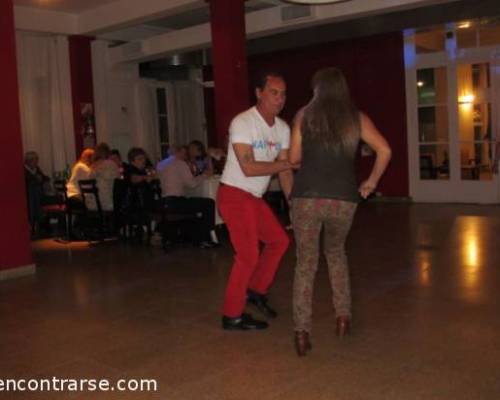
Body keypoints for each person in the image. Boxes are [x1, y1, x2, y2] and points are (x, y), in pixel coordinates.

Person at [289, 67, 392, 356]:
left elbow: (294, 159)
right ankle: (343, 317)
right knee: (335, 254)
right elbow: (384, 150)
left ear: (317, 90)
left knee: (306, 264)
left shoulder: (303, 115)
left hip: (307, 198)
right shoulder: (356, 118)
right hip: (343, 200)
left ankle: (301, 332)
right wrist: (370, 183)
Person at [217, 71, 297, 331]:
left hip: (253, 197)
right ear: (259, 93)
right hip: (233, 193)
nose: (280, 98)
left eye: (283, 94)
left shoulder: (283, 128)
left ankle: (255, 291)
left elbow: (284, 170)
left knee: (279, 241)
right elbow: (248, 168)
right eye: (274, 92)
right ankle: (232, 316)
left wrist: (293, 205)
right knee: (248, 255)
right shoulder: (243, 122)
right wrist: (285, 163)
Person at [156, 145, 217, 248]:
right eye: (185, 154)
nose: (186, 156)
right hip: (175, 202)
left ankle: (193, 237)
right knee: (209, 203)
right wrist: (205, 175)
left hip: (164, 202)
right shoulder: (180, 163)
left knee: (196, 204)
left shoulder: (161, 164)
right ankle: (205, 239)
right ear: (179, 152)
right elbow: (192, 184)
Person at [24, 151, 50, 235]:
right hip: (27, 196)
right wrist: (37, 179)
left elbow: (45, 178)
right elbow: (27, 181)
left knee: (37, 190)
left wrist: (41, 178)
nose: (36, 162)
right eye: (35, 160)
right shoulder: (24, 170)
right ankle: (35, 221)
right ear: (29, 161)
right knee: (33, 190)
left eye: (36, 160)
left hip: (38, 194)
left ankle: (38, 220)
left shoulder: (36, 169)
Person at [90, 143, 119, 211]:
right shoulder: (111, 164)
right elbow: (118, 180)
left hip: (92, 204)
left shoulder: (92, 166)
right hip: (107, 204)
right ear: (107, 152)